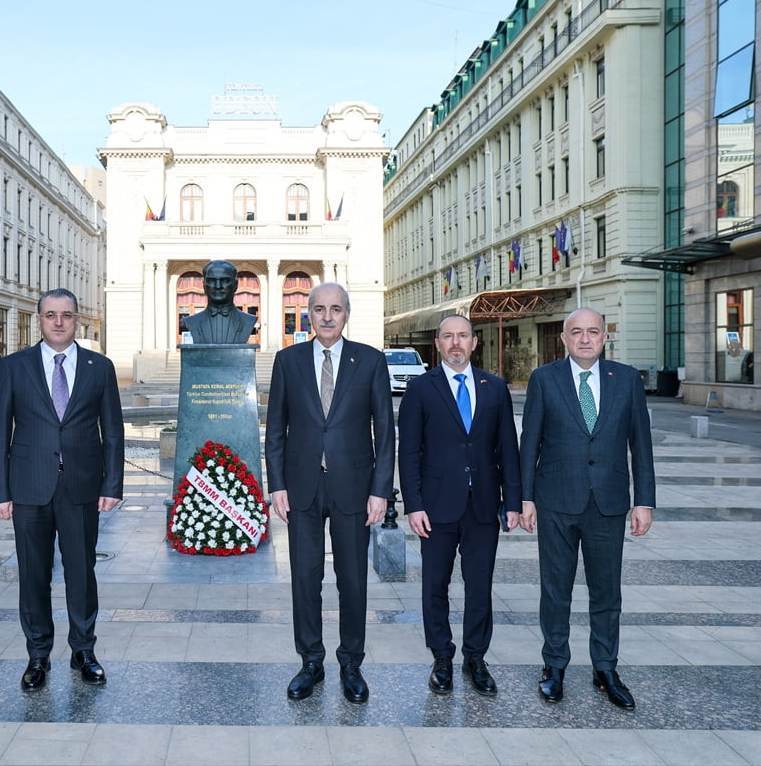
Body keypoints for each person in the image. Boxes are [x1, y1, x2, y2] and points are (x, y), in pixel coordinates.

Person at [0, 288, 124, 692]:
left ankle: (84, 650)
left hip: (82, 487)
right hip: (28, 487)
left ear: (77, 319)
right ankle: (38, 654)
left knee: (82, 573)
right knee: (33, 574)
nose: (58, 321)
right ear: (39, 319)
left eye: (66, 314)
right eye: (50, 314)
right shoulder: (14, 367)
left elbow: (112, 430)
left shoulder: (100, 367)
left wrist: (111, 483)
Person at [518, 307, 655, 710]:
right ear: (563, 338)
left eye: (592, 332)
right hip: (556, 501)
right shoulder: (545, 379)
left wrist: (644, 501)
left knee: (607, 592)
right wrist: (525, 498)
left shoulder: (626, 380)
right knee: (555, 590)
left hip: (608, 504)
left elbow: (641, 446)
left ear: (604, 337)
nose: (584, 339)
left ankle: (605, 668)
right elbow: (531, 444)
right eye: (576, 332)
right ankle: (555, 665)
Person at [265, 282, 393, 704]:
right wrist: (277, 484)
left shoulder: (371, 362)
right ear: (309, 314)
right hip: (301, 488)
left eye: (335, 309)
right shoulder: (287, 361)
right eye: (318, 309)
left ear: (346, 314)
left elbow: (385, 432)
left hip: (354, 488)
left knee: (353, 580)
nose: (326, 316)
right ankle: (311, 662)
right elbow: (276, 432)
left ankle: (351, 663)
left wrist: (380, 491)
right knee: (305, 577)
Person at [398, 315, 521, 697]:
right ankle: (441, 657)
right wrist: (413, 504)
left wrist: (512, 501)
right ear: (436, 343)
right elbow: (410, 452)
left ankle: (475, 658)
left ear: (474, 342)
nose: (456, 343)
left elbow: (508, 450)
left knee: (479, 585)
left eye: (462, 336)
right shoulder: (421, 389)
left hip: (483, 505)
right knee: (434, 585)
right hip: (435, 507)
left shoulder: (495, 388)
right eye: (448, 337)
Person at [180, 259, 258, 344]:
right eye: (211, 281)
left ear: (235, 285)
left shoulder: (248, 321)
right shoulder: (192, 322)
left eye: (224, 281)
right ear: (204, 286)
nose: (218, 286)